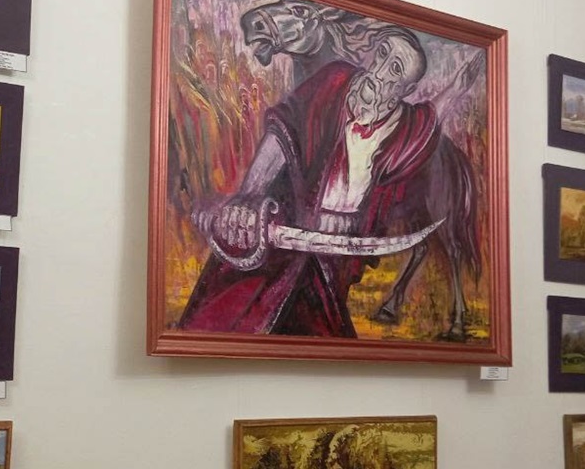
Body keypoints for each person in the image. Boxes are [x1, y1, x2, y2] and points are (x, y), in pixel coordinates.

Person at [179, 24, 445, 337]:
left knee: (319, 337)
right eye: (382, 53)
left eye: (395, 69)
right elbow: (284, 132)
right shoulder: (335, 80)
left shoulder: (406, 134)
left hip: (330, 261)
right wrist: (249, 196)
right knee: (230, 315)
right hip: (281, 230)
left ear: (406, 91)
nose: (379, 71)